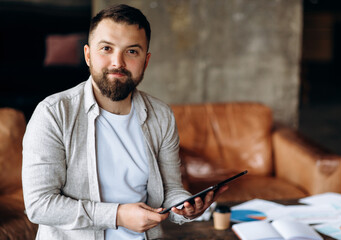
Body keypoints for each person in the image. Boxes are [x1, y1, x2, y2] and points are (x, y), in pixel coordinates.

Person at [22, 4, 227, 240]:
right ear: (88, 55)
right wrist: (117, 215)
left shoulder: (161, 115)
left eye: (132, 51)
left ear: (146, 61)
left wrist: (185, 207)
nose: (117, 62)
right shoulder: (53, 114)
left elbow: (171, 189)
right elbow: (39, 205)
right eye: (106, 48)